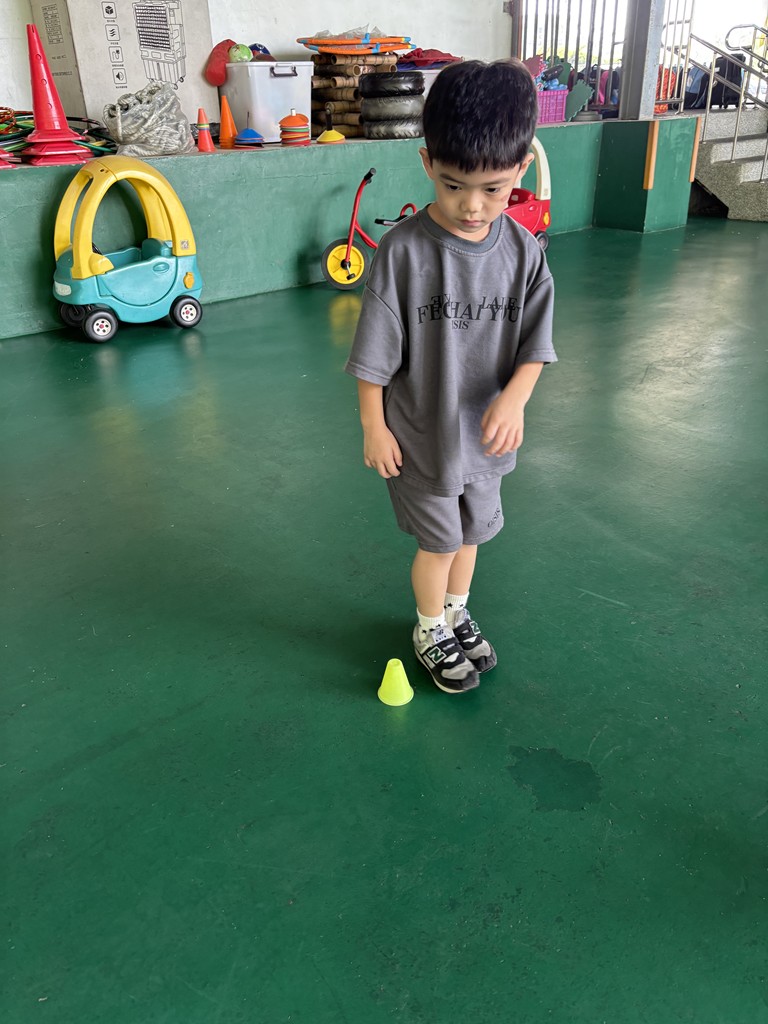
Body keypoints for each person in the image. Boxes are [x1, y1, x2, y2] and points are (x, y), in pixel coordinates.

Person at [345, 59, 557, 694]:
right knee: (439, 543)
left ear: (521, 170)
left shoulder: (523, 252)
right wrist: (374, 426)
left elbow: (536, 343)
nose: (472, 206)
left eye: (493, 189)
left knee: (472, 536)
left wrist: (515, 400)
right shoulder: (403, 253)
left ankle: (457, 613)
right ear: (427, 162)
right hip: (422, 440)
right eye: (453, 184)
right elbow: (373, 356)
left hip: (484, 442)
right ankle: (429, 627)